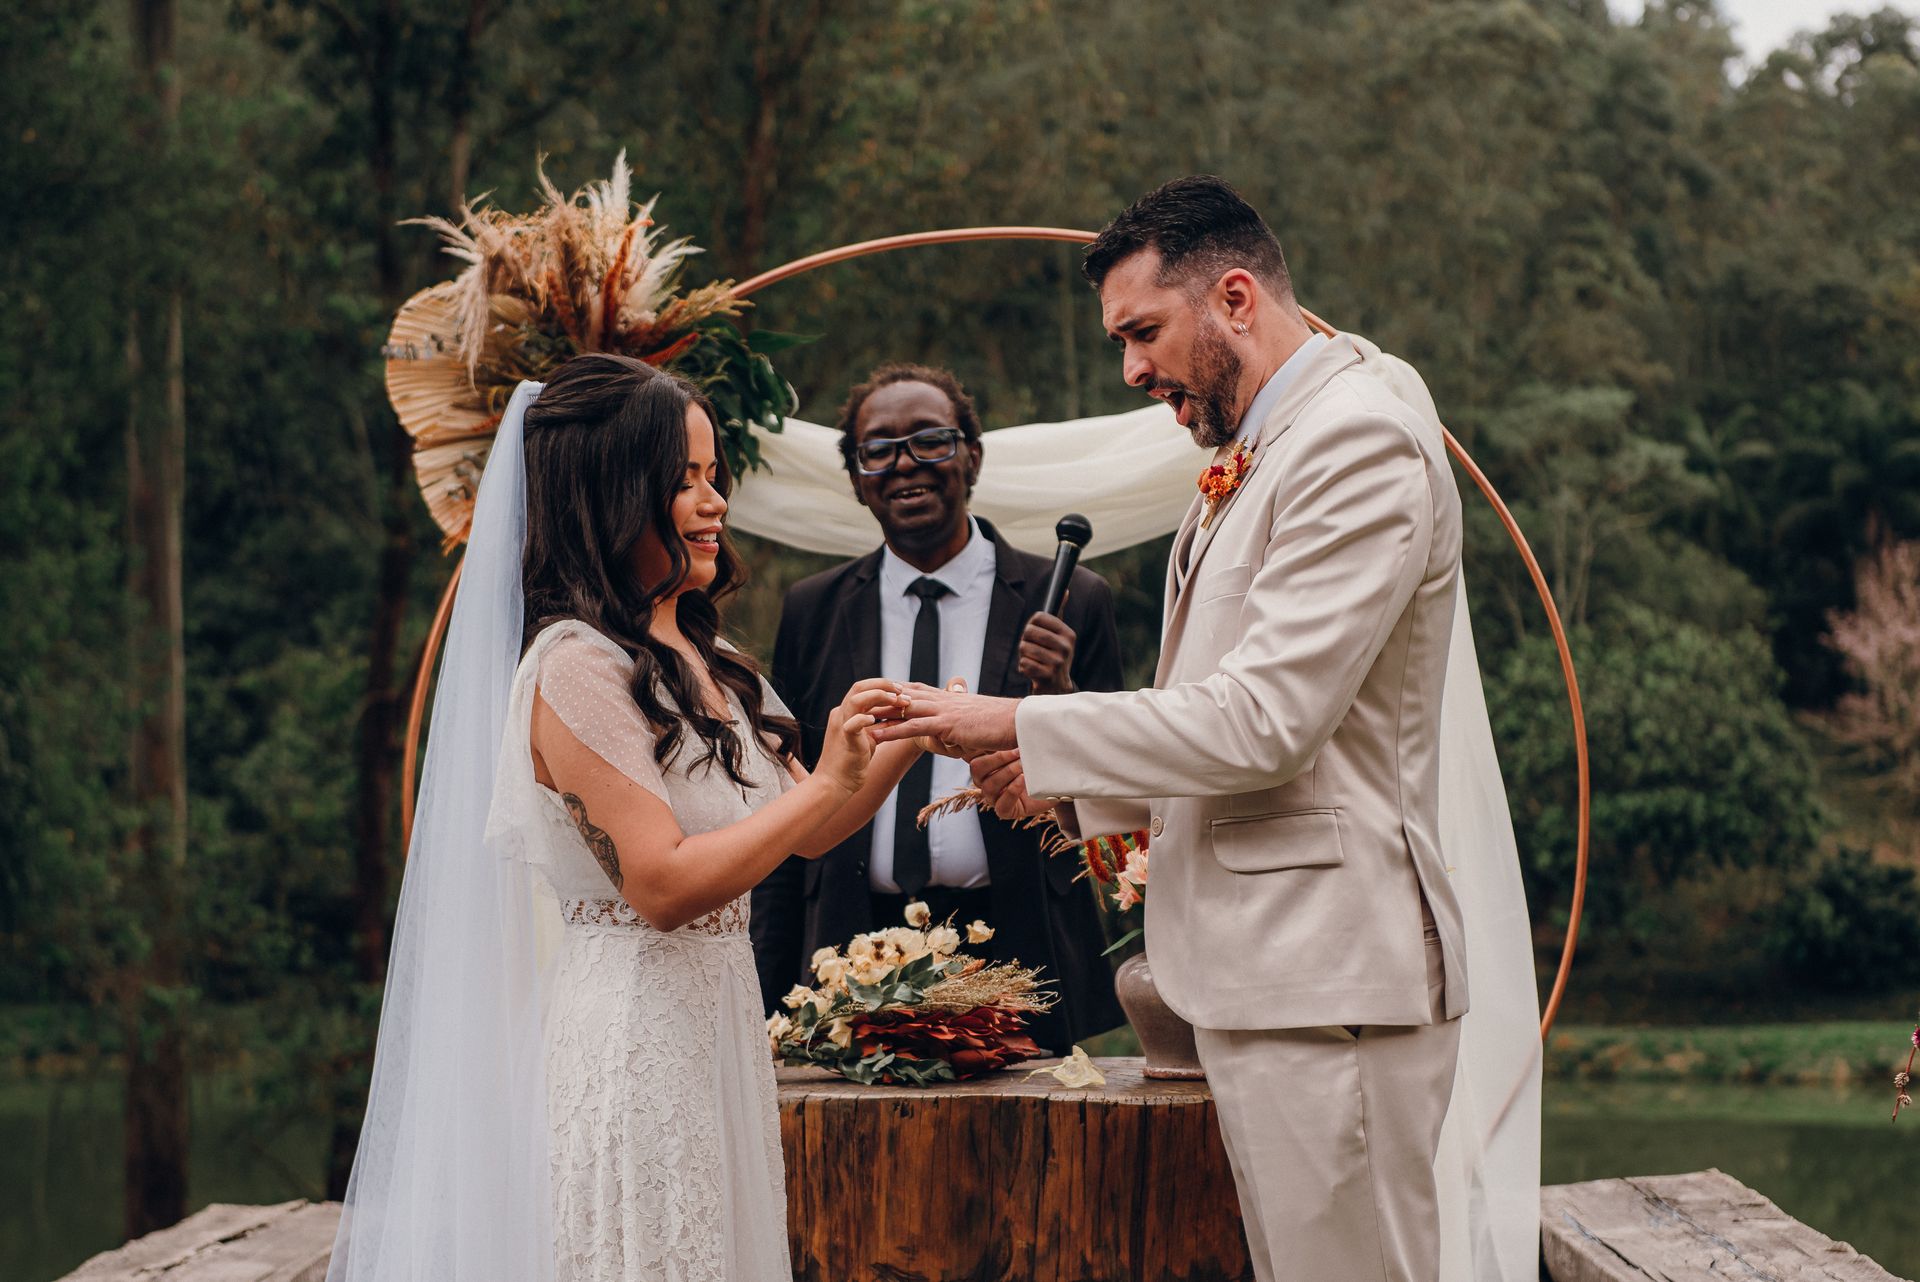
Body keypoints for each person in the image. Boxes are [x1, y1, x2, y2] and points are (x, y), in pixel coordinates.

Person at [869, 178, 1477, 1282]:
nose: (1131, 370)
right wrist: (1060, 784)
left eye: (1142, 332)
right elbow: (1219, 716)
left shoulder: (1358, 441)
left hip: (1330, 979)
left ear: (1235, 296)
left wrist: (1019, 717)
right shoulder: (1254, 448)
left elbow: (1266, 722)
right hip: (1273, 982)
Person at [328, 354, 926, 1282]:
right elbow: (661, 883)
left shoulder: (706, 651)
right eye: (681, 480)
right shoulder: (576, 668)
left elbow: (808, 828)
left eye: (712, 476)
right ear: (609, 493)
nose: (713, 501)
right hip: (635, 1036)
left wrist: (910, 737)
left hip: (719, 1024)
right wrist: (823, 781)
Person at [750, 363, 1125, 1053]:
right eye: (879, 449)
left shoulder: (1069, 596)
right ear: (859, 478)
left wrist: (1061, 697)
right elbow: (787, 797)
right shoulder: (814, 609)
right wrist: (767, 976)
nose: (904, 464)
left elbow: (1117, 797)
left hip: (1018, 934)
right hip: (850, 941)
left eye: (930, 440)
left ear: (972, 457)